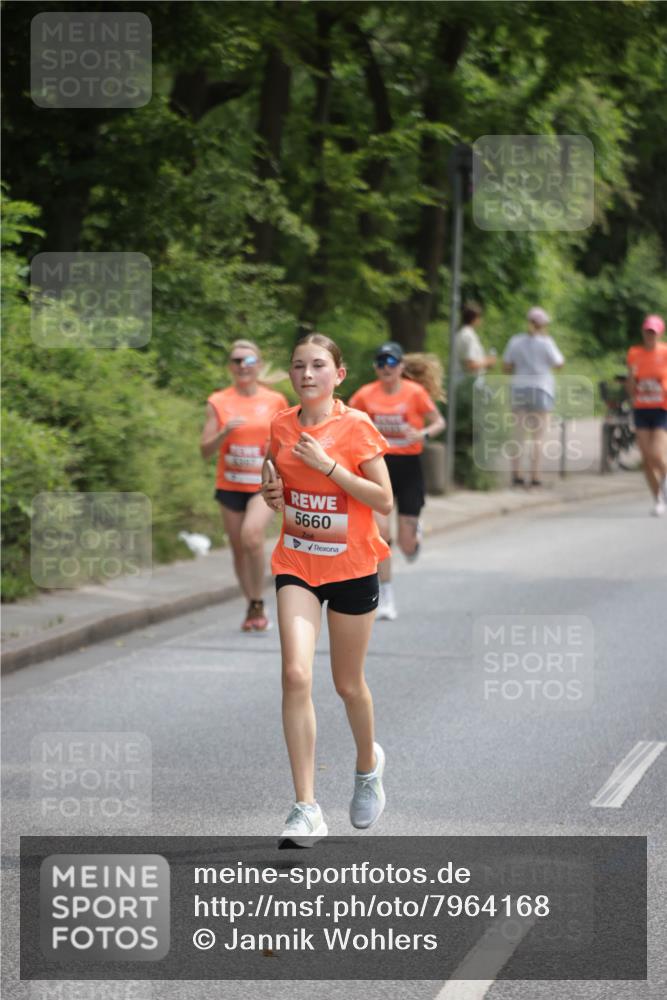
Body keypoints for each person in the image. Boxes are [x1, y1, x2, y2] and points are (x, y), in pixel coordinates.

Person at [261, 333, 393, 847]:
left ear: (339, 375)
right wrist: (271, 492)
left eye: (318, 365)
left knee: (347, 685)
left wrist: (329, 466)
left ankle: (367, 767)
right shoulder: (280, 424)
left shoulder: (357, 426)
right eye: (299, 366)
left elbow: (383, 499)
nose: (307, 373)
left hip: (353, 566)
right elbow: (277, 486)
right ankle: (306, 808)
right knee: (295, 674)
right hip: (296, 562)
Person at [348, 342, 446, 621]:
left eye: (392, 363)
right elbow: (346, 419)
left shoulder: (415, 393)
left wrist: (422, 434)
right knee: (380, 535)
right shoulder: (365, 395)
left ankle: (414, 535)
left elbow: (439, 422)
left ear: (401, 367)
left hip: (409, 468)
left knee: (406, 545)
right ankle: (386, 596)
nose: (386, 368)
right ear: (375, 368)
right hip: (379, 466)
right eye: (381, 363)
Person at [200, 340, 288, 631]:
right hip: (230, 484)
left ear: (259, 365)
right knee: (238, 548)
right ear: (230, 367)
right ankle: (251, 603)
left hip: (262, 483)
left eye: (248, 361)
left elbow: (288, 439)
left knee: (252, 536)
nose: (242, 367)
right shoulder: (219, 401)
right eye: (236, 361)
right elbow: (204, 450)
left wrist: (274, 447)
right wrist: (223, 432)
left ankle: (260, 600)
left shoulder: (275, 401)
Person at [503, 307, 565, 487]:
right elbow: (559, 364)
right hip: (541, 389)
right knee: (538, 436)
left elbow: (506, 367)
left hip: (520, 388)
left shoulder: (515, 341)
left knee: (518, 434)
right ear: (544, 324)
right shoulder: (547, 342)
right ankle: (535, 476)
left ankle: (516, 474)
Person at [626, 314, 667, 516]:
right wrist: (632, 377)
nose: (649, 335)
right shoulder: (634, 353)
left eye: (653, 332)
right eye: (647, 331)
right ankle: (658, 498)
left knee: (657, 454)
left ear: (660, 333)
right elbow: (630, 389)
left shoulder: (665, 352)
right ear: (643, 332)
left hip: (662, 408)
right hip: (642, 408)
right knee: (646, 458)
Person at [454, 301, 497, 382]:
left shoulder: (461, 333)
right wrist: (488, 361)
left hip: (463, 381)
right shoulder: (469, 336)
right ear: (474, 318)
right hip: (469, 383)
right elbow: (471, 365)